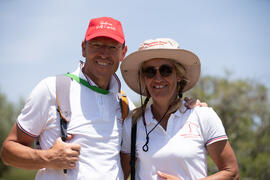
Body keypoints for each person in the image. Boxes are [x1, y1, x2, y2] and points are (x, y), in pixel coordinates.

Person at [1, 18, 204, 180]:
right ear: (83, 48)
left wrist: (190, 109)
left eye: (112, 47)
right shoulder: (52, 88)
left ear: (123, 52)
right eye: (97, 45)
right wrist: (48, 158)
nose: (104, 54)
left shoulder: (124, 104)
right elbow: (8, 151)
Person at [120, 38, 239, 180]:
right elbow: (118, 175)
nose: (158, 78)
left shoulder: (203, 116)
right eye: (150, 72)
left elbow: (231, 173)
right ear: (144, 78)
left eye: (165, 70)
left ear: (179, 76)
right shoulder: (132, 124)